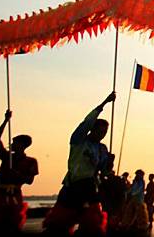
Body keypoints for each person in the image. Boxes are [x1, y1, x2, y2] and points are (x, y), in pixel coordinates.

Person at [43, 92, 116, 236]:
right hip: (73, 185)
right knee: (58, 224)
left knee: (92, 224)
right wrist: (105, 103)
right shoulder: (79, 140)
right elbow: (86, 122)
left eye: (105, 132)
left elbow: (104, 172)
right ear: (93, 129)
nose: (102, 134)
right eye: (100, 131)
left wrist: (110, 164)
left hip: (90, 187)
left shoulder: (102, 149)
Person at [0, 110, 38, 234]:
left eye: (14, 142)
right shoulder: (6, 156)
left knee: (12, 224)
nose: (11, 144)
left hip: (14, 194)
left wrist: (17, 175)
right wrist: (5, 121)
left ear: (22, 145)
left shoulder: (31, 161)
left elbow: (30, 181)